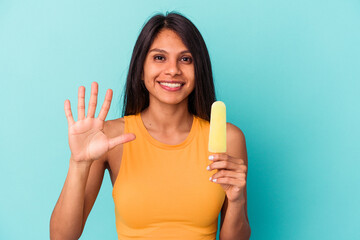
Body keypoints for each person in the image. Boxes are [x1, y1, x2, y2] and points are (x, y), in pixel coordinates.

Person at [50, 12, 251, 240]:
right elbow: (61, 237)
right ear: (141, 69)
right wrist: (78, 164)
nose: (173, 70)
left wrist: (238, 200)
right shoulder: (109, 138)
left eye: (186, 59)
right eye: (159, 58)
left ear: (199, 70)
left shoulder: (229, 138)